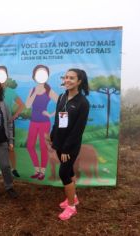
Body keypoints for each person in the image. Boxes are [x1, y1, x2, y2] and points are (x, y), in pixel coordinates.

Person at [50, 68, 90, 221]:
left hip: (71, 145)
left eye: (71, 78)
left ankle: (72, 207)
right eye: (66, 77)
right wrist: (53, 135)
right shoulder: (61, 97)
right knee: (69, 170)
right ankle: (73, 197)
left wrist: (67, 148)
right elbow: (58, 120)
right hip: (59, 142)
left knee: (63, 173)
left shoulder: (83, 103)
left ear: (79, 81)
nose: (67, 80)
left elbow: (78, 130)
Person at [25, 65, 58, 181]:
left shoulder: (49, 91)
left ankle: (42, 172)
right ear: (34, 76)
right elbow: (28, 105)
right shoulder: (32, 90)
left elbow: (61, 102)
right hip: (33, 122)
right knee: (30, 146)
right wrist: (36, 91)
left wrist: (50, 114)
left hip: (45, 123)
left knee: (44, 147)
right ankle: (37, 170)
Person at [0, 66, 25, 177]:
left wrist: (15, 115)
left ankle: (13, 169)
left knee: (10, 147)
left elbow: (22, 105)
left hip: (8, 123)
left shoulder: (11, 91)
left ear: (6, 77)